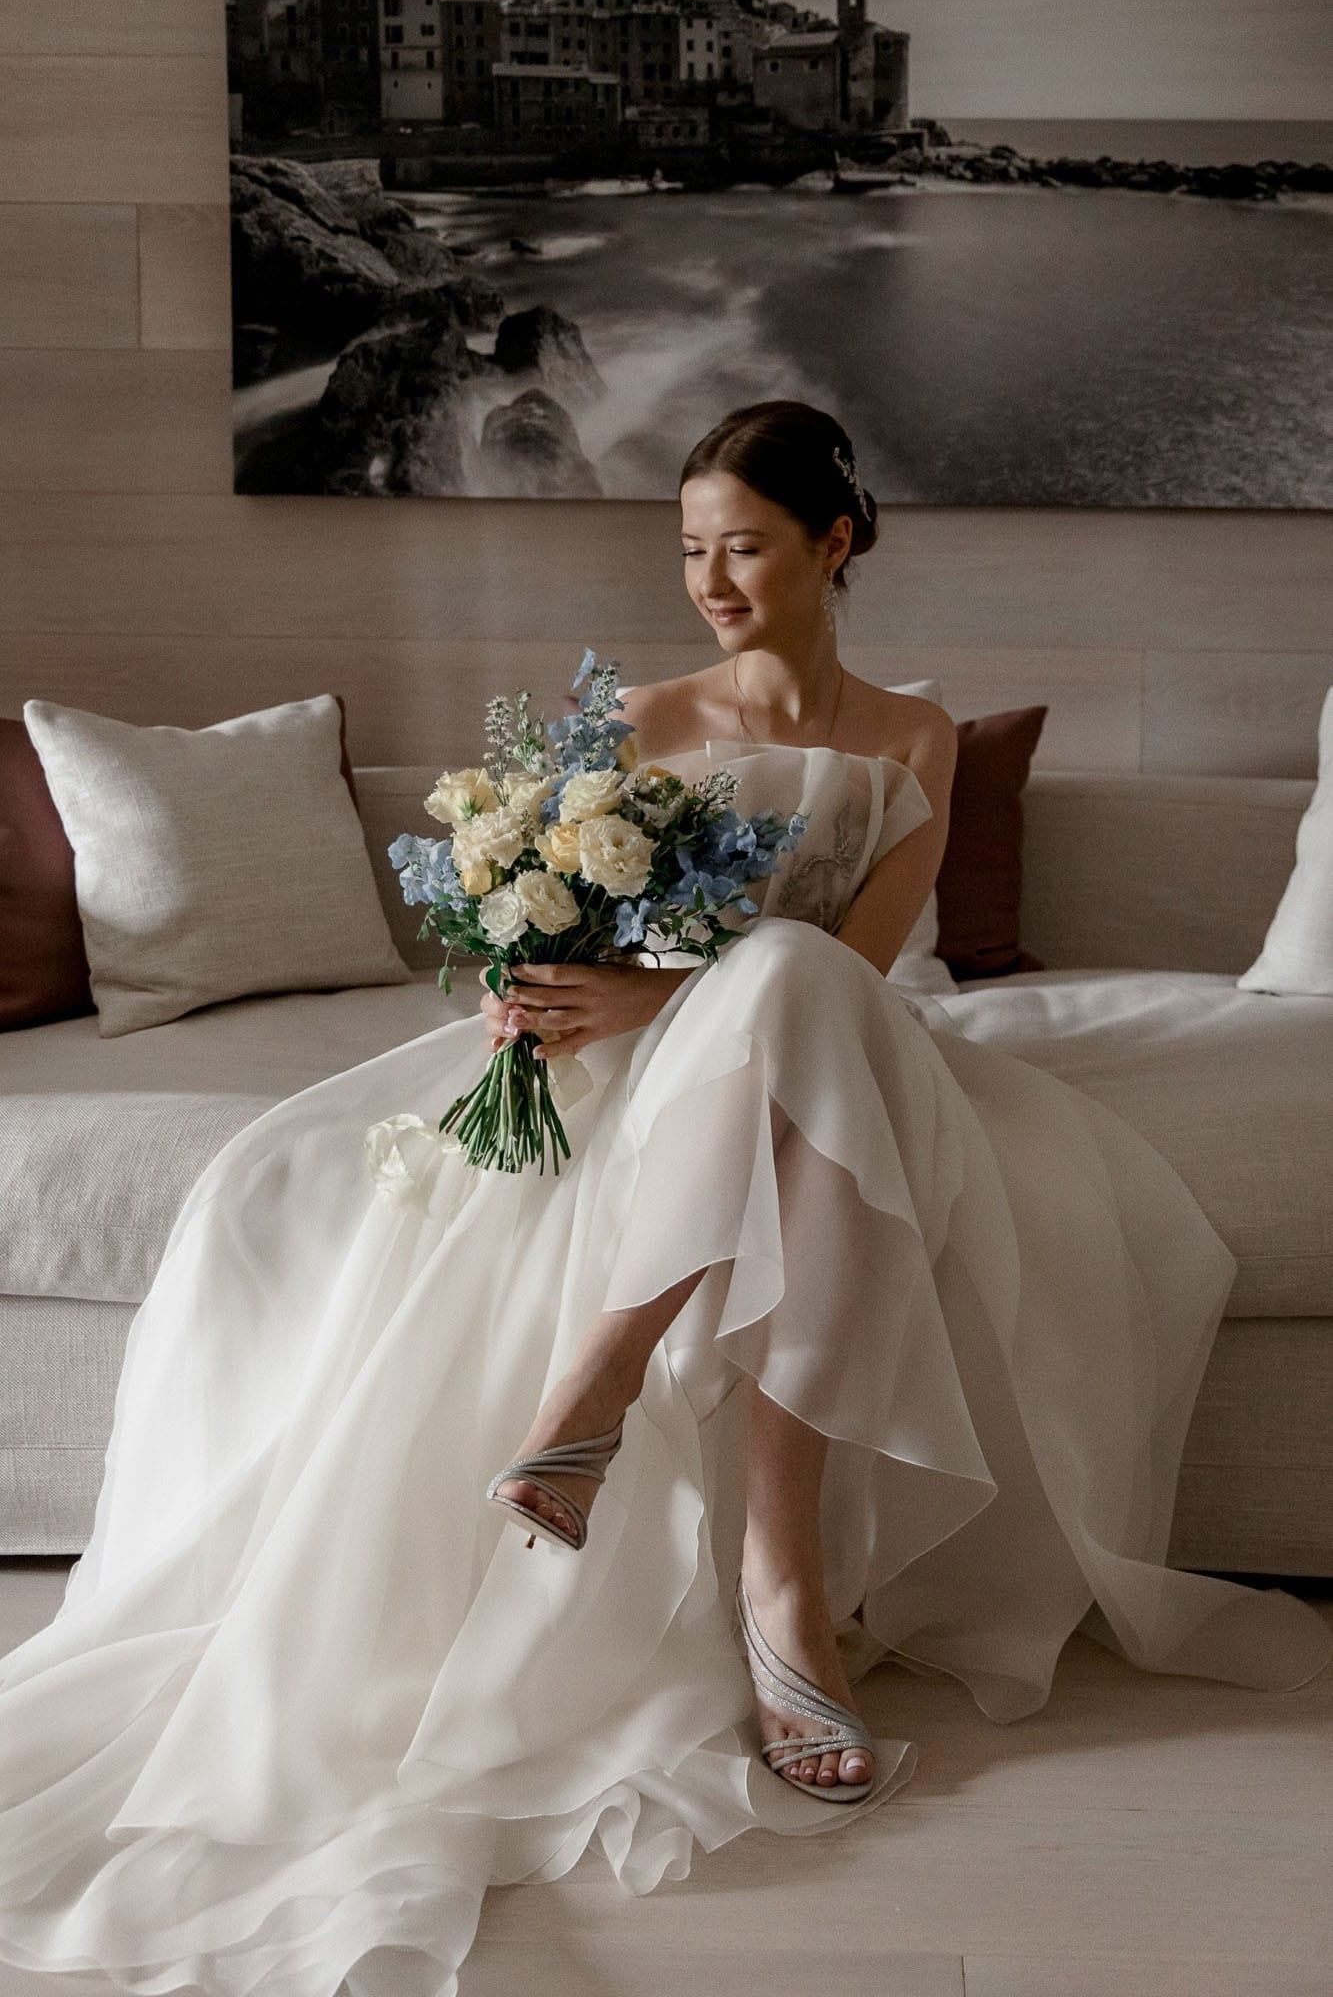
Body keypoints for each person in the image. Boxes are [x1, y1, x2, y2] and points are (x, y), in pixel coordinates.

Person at [0, 398, 1327, 1997]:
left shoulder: (911, 736)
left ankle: (600, 1393)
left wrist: (657, 996)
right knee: (707, 1036)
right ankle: (784, 1614)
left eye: (743, 546)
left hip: (849, 1054)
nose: (708, 578)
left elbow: (855, 963)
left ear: (835, 545)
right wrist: (531, 988)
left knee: (786, 980)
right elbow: (541, 933)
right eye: (689, 547)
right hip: (669, 1083)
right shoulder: (632, 717)